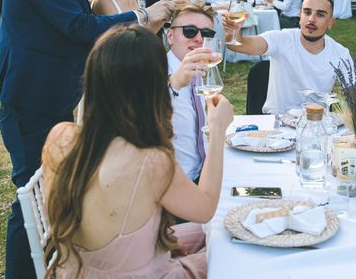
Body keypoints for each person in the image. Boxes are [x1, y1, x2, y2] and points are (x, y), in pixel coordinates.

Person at [0, 0, 173, 278]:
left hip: (52, 94)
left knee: (52, 195)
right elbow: (78, 27)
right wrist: (142, 18)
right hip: (30, 96)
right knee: (32, 199)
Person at [42, 24, 233, 277]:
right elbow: (206, 208)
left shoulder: (60, 137)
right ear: (152, 87)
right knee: (235, 253)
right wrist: (217, 130)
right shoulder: (150, 160)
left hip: (80, 270)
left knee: (225, 228)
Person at [224, 0, 353, 113]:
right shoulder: (281, 39)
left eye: (320, 15)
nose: (311, 19)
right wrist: (233, 34)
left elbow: (355, 99)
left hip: (316, 125)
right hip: (276, 125)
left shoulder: (340, 53)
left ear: (331, 22)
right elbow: (240, 45)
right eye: (307, 12)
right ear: (300, 15)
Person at [166, 4, 221, 181]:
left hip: (201, 174)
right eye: (190, 31)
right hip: (171, 183)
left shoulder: (202, 73)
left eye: (206, 34)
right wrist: (172, 85)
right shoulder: (153, 70)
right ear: (170, 36)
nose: (199, 39)